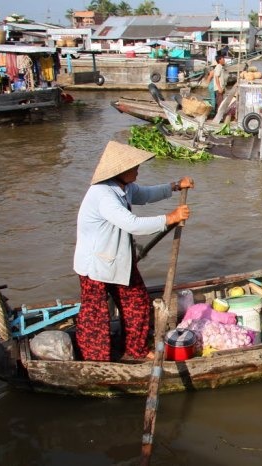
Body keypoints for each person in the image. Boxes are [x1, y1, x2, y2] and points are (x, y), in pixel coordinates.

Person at [73, 141, 194, 362]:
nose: (138, 170)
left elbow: (146, 194)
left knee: (138, 304)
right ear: (120, 171)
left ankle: (135, 349)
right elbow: (133, 224)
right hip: (96, 267)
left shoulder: (124, 188)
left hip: (119, 261)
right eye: (134, 167)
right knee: (96, 316)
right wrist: (170, 218)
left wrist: (175, 186)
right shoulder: (103, 194)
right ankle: (96, 361)